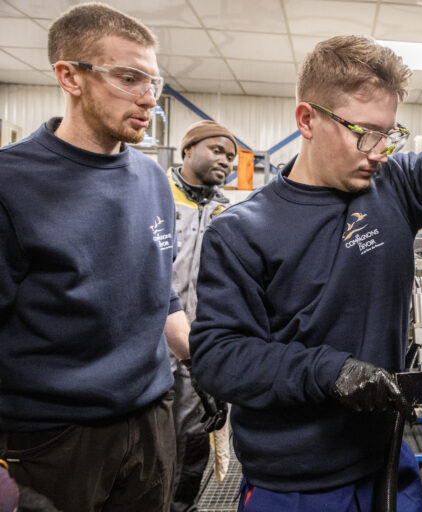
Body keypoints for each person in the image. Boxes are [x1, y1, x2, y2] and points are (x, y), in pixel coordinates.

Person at [189, 32, 422, 511]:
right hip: (296, 487)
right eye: (364, 132)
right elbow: (220, 356)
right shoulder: (241, 231)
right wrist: (330, 371)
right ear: (307, 119)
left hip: (388, 463)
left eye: (388, 134)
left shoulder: (392, 187)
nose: (378, 151)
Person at [0, 3, 189, 511]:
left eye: (154, 81)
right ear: (70, 76)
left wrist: (216, 359)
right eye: (130, 78)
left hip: (151, 421)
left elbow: (161, 292)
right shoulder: (10, 183)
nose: (150, 99)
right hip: (52, 439)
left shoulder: (152, 180)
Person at [168, 120, 237, 511]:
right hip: (151, 345)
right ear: (188, 150)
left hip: (198, 347)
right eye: (216, 150)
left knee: (194, 440)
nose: (224, 161)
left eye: (230, 156)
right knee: (148, 440)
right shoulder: (156, 196)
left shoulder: (227, 211)